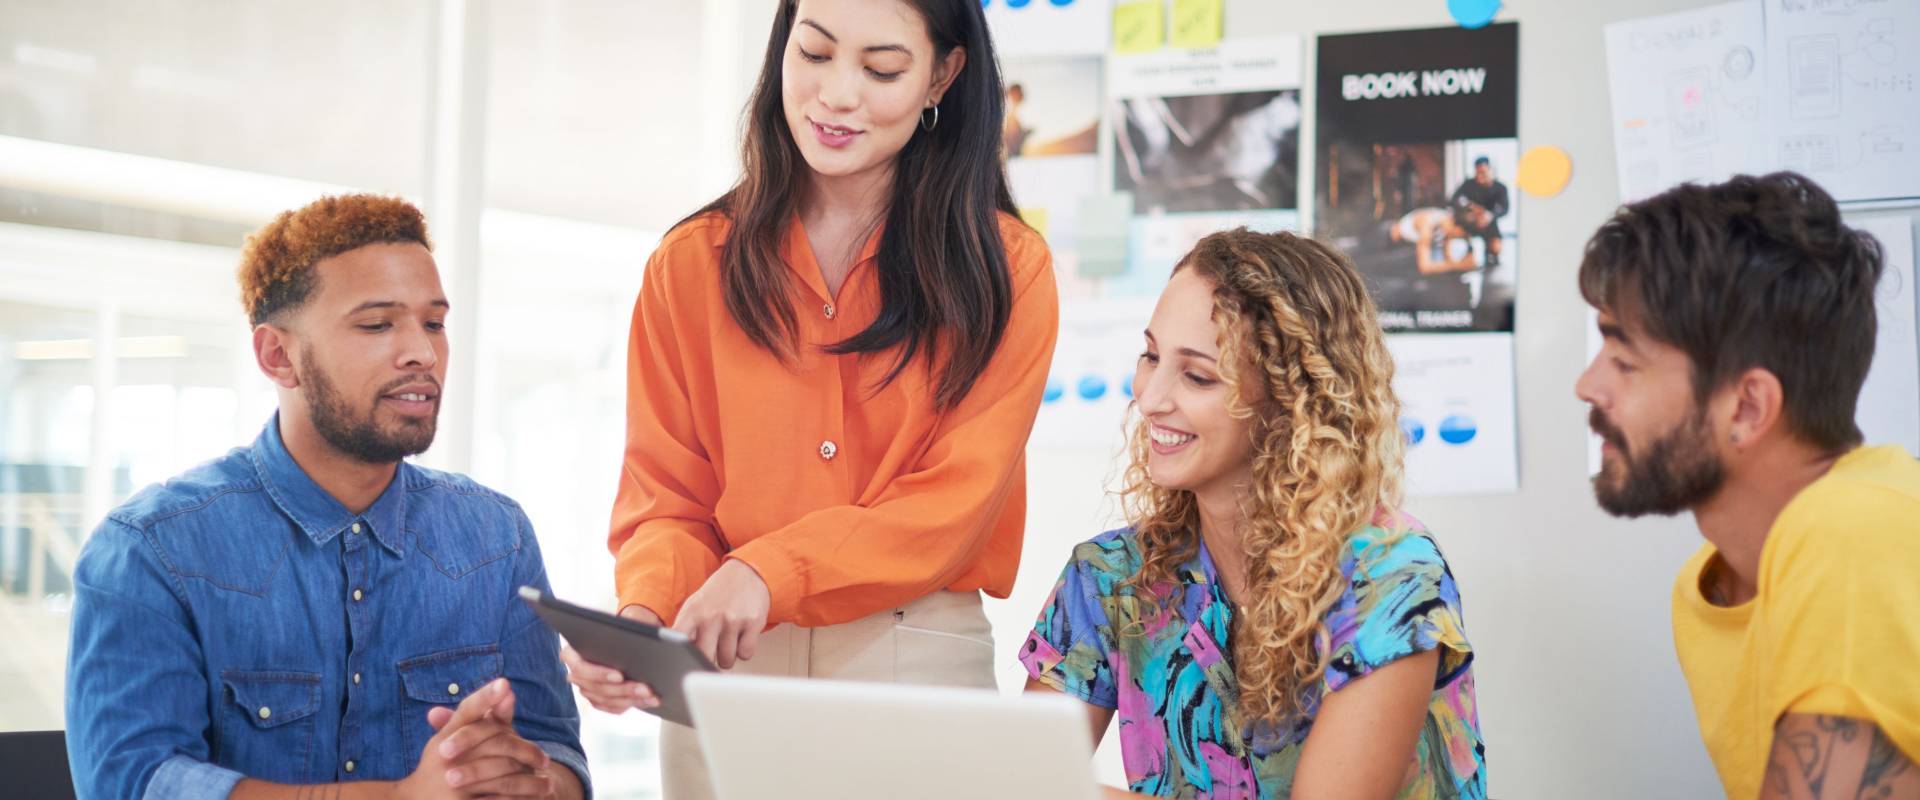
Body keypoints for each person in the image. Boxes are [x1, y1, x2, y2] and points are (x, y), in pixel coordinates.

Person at [560, 1, 1058, 798]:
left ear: (945, 74)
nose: (836, 95)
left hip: (910, 658)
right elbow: (667, 499)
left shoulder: (1006, 269)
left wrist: (770, 572)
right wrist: (645, 616)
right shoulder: (689, 265)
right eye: (815, 53)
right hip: (726, 665)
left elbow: (952, 502)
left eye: (882, 69)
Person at [64, 194, 588, 799]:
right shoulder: (150, 550)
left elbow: (555, 750)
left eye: (434, 322)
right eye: (377, 324)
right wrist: (397, 798)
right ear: (278, 355)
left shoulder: (497, 536)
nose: (422, 351)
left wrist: (525, 782)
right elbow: (134, 782)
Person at [1022, 228, 1486, 799]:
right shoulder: (1108, 577)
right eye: (1151, 356)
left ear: (1292, 401)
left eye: (1196, 375)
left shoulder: (1387, 577)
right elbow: (1019, 779)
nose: (1149, 397)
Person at [1575, 172, 1920, 799]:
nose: (1588, 386)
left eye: (1624, 362)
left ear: (1748, 408)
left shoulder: (1855, 529)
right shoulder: (1710, 586)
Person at [1448, 157, 1507, 267]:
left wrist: (1490, 215)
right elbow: (1454, 199)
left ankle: (1491, 253)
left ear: (1490, 170)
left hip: (1489, 223)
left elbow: (1504, 208)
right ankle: (1467, 249)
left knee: (1496, 249)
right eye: (1478, 172)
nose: (1481, 176)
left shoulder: (1500, 188)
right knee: (1455, 230)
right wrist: (1471, 207)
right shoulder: (1468, 184)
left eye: (1484, 172)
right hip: (1470, 221)